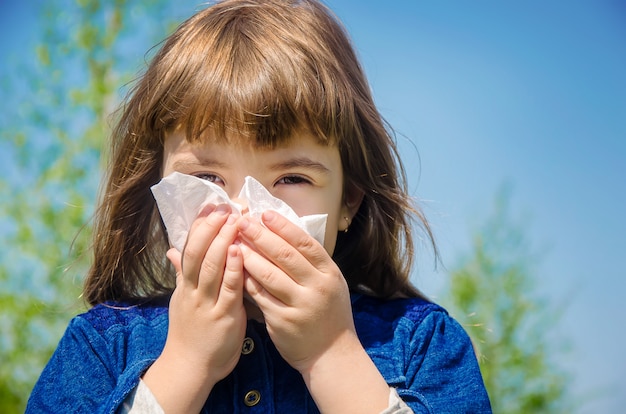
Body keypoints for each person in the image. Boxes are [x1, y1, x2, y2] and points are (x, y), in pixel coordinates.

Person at [26, 0, 492, 413]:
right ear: (159, 189)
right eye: (206, 179)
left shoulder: (422, 345)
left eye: (292, 178)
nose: (242, 211)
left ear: (348, 200)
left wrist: (331, 355)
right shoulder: (101, 348)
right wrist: (185, 363)